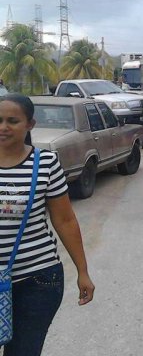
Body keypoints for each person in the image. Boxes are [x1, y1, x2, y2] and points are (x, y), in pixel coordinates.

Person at [0, 94, 94, 355]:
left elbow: (64, 220)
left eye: (12, 121)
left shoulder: (45, 163)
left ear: (30, 124)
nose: (3, 127)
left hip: (37, 279)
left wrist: (82, 271)